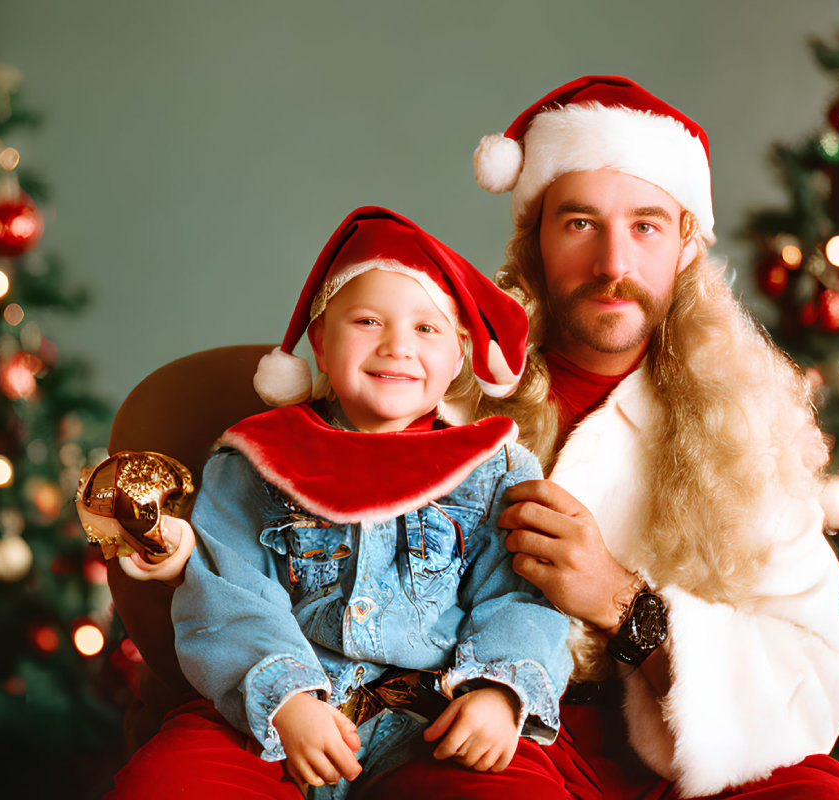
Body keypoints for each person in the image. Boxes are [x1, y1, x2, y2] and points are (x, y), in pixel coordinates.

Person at [365, 76, 839, 799]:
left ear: (687, 244)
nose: (613, 264)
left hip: (675, 759)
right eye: (579, 223)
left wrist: (625, 606)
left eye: (646, 226)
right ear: (533, 239)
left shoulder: (748, 422)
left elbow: (813, 678)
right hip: (491, 736)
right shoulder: (435, 381)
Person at [101, 206, 573, 798]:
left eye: (427, 329)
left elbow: (522, 597)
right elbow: (227, 591)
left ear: (458, 356)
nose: (398, 347)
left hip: (434, 719)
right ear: (322, 342)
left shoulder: (495, 469)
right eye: (369, 321)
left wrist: (501, 692)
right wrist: (288, 703)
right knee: (169, 785)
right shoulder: (256, 459)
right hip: (274, 709)